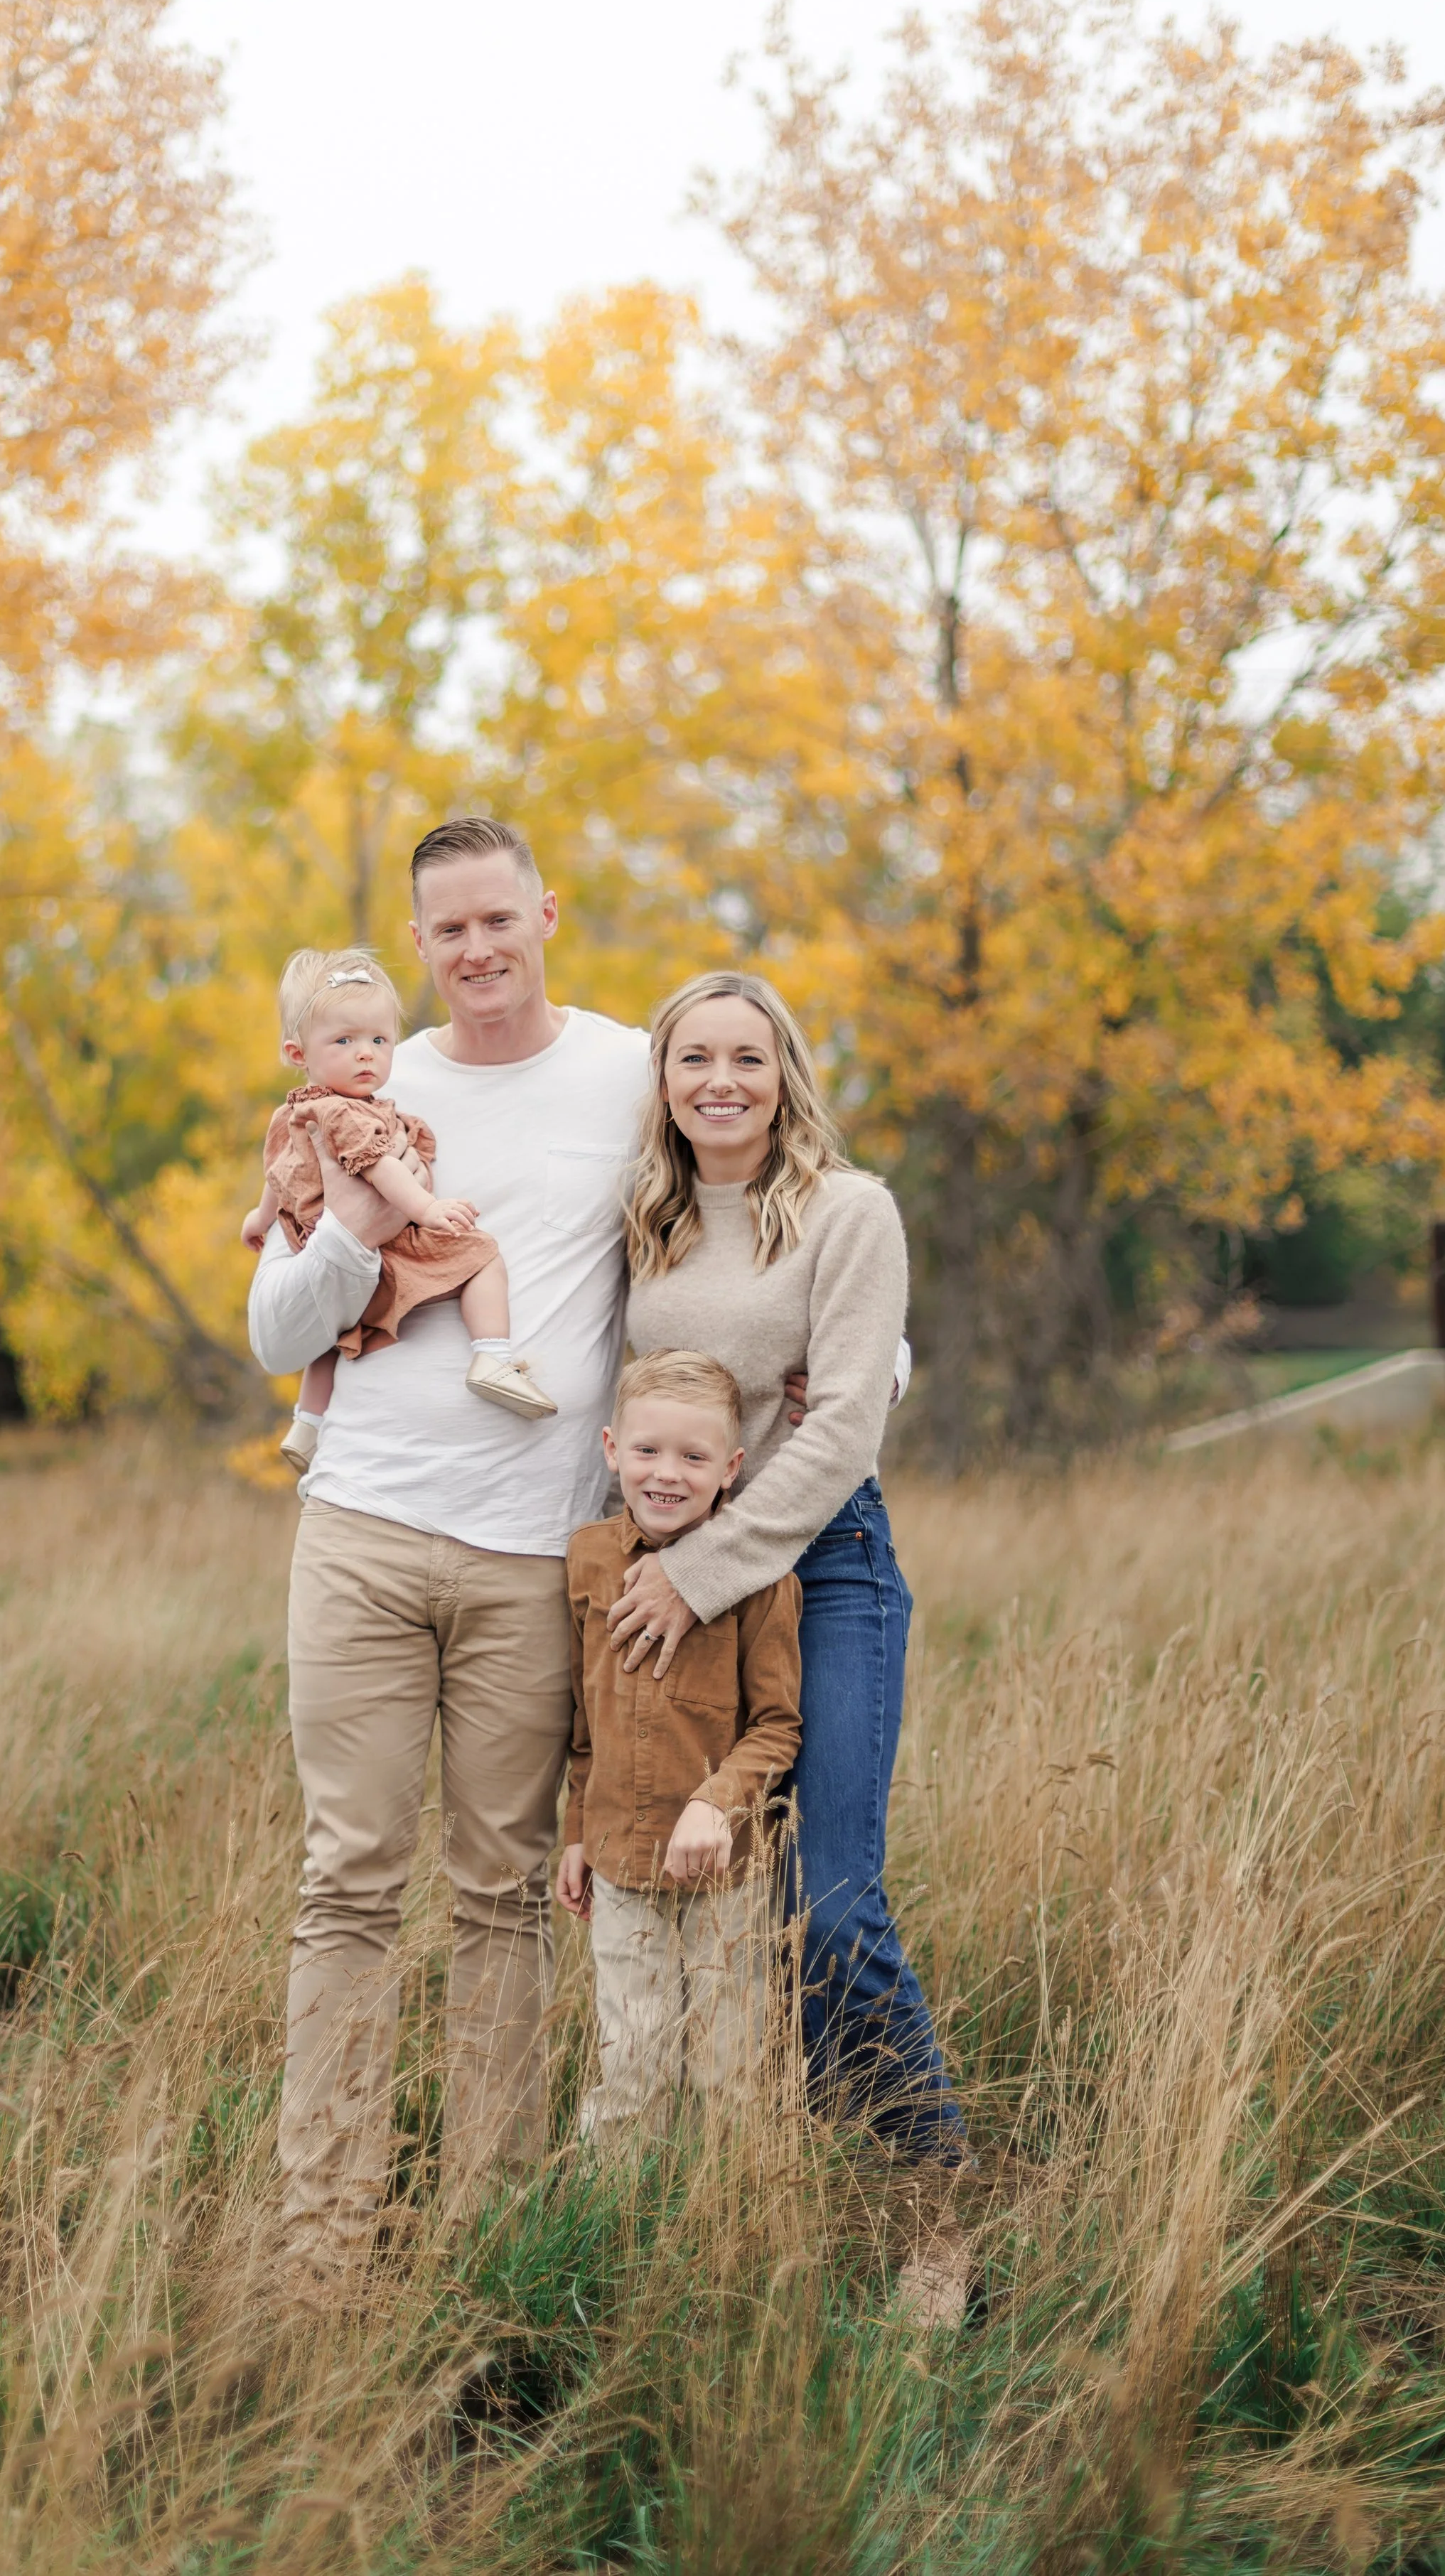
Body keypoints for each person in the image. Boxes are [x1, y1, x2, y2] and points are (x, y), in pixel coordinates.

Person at [247, 817, 651, 2282]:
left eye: (500, 920)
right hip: (359, 1532)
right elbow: (275, 1334)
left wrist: (864, 1347)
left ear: (544, 912)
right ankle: (323, 2249)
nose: (476, 951)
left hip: (530, 1561)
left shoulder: (623, 1070)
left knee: (500, 1897)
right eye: (447, 931)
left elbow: (744, 1180)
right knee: (346, 1884)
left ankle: (491, 2239)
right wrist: (352, 1232)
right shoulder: (361, 1082)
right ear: (416, 946)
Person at [611, 971, 972, 2325]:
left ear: (784, 1073)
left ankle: (940, 2219)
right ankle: (810, 2202)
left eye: (745, 1059)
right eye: (692, 1058)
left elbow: (840, 1432)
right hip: (677, 1583)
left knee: (830, 1902)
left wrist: (702, 1575)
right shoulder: (642, 1220)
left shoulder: (846, 1210)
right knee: (731, 1924)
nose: (719, 1081)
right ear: (663, 1080)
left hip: (820, 1569)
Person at [557, 1349, 800, 2139]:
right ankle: (613, 2238)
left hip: (726, 1874)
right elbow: (583, 1720)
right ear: (610, 1451)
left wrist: (715, 1802)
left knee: (726, 2073)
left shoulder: (760, 1577)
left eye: (694, 1457)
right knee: (634, 2064)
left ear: (730, 1468)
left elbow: (777, 1725)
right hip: (622, 1863)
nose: (667, 1474)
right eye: (647, 1450)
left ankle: (722, 2231)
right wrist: (575, 1834)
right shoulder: (588, 1559)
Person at [240, 945, 557, 1472]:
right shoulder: (346, 1113)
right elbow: (380, 1169)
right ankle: (493, 1356)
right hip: (375, 1248)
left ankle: (309, 1422)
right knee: (481, 1255)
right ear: (299, 1054)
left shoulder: (290, 1113)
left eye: (379, 1040)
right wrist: (428, 1209)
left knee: (334, 1334)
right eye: (344, 1041)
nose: (366, 1054)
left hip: (312, 1242)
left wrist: (260, 1217)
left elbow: (278, 1173)